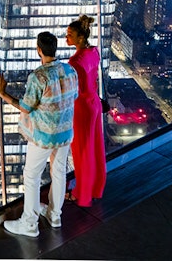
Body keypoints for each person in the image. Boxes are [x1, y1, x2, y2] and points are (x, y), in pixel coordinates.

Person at [0, 31, 78, 237]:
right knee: (58, 172)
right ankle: (55, 215)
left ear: (38, 49)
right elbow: (73, 97)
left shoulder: (38, 76)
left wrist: (3, 93)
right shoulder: (70, 71)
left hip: (44, 136)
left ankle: (29, 223)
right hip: (65, 132)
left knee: (31, 176)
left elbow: (26, 107)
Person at [66, 15, 107, 207]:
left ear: (80, 38)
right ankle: (96, 187)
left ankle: (81, 194)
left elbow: (74, 90)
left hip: (82, 106)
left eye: (70, 35)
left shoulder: (74, 61)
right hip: (95, 103)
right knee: (95, 148)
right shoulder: (94, 52)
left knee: (82, 152)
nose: (67, 38)